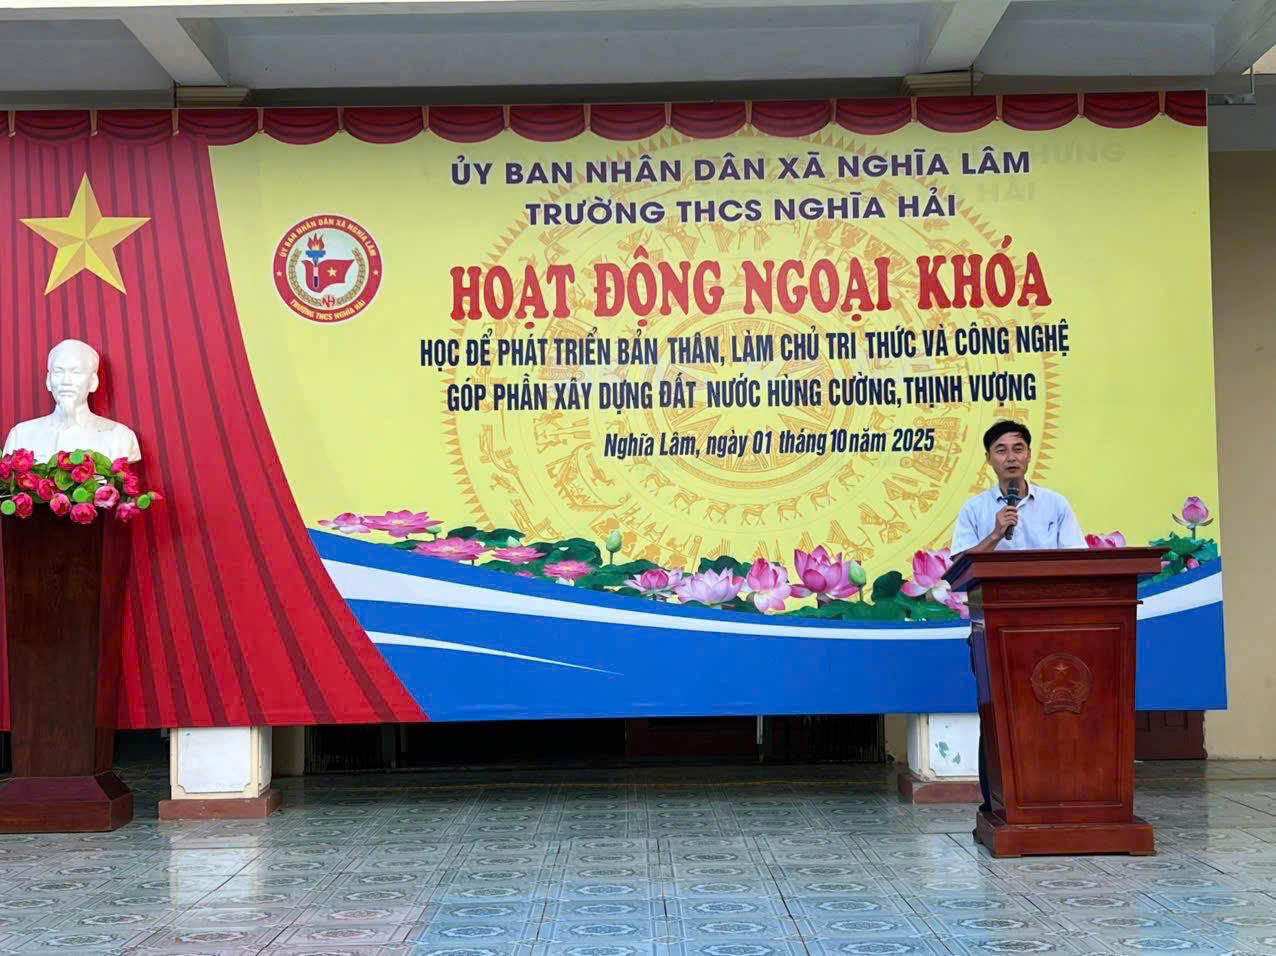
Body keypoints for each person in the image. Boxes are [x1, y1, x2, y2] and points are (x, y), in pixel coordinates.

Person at [951, 420, 1086, 814]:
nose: (1010, 457)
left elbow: (1076, 562)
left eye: (1018, 448)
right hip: (992, 630)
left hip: (1049, 629)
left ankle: (1052, 796)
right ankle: (995, 803)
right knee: (997, 713)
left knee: (1052, 710)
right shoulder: (975, 510)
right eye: (1001, 450)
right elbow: (959, 569)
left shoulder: (1056, 505)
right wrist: (996, 534)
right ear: (989, 459)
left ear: (1028, 454)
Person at [2, 339, 141, 463]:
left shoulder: (120, 437)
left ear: (93, 382)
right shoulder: (21, 436)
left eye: (76, 372)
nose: (66, 381)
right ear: (48, 381)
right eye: (58, 371)